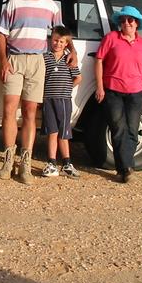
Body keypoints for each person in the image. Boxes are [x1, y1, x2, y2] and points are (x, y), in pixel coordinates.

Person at [0, 0, 77, 184]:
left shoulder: (51, 6)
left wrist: (74, 53)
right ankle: (8, 159)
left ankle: (26, 163)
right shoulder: (14, 2)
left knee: (30, 112)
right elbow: (2, 34)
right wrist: (3, 61)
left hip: (38, 61)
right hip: (14, 59)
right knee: (9, 110)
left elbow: (61, 34)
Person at [95, 5, 142, 183]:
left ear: (137, 23)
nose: (126, 23)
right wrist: (100, 87)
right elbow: (99, 61)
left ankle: (125, 168)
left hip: (136, 92)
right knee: (117, 129)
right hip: (113, 90)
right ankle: (125, 168)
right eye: (123, 20)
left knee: (131, 129)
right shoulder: (111, 38)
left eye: (130, 20)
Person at [41, 26, 82, 178]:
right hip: (48, 99)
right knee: (52, 131)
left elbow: (78, 77)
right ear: (51, 40)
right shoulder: (45, 58)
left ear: (66, 43)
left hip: (64, 100)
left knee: (64, 132)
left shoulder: (68, 59)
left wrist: (67, 88)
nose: (58, 43)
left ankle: (67, 164)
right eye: (56, 40)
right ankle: (51, 163)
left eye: (62, 41)